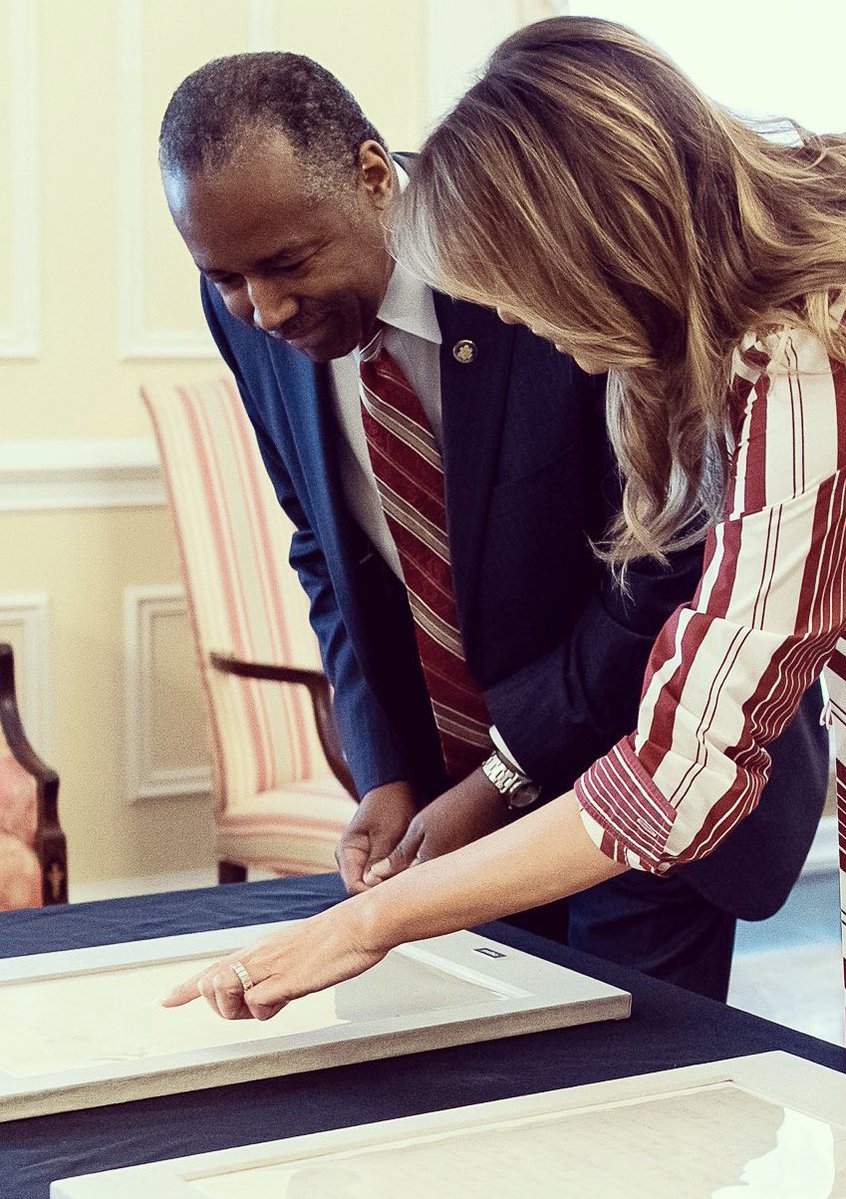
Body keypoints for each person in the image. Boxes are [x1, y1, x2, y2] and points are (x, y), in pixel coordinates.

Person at [157, 32, 835, 1021]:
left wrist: (367, 923)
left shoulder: (788, 371)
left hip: (606, 760)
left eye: (538, 303)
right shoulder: (760, 368)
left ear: (608, 239)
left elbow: (675, 775)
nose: (564, 351)